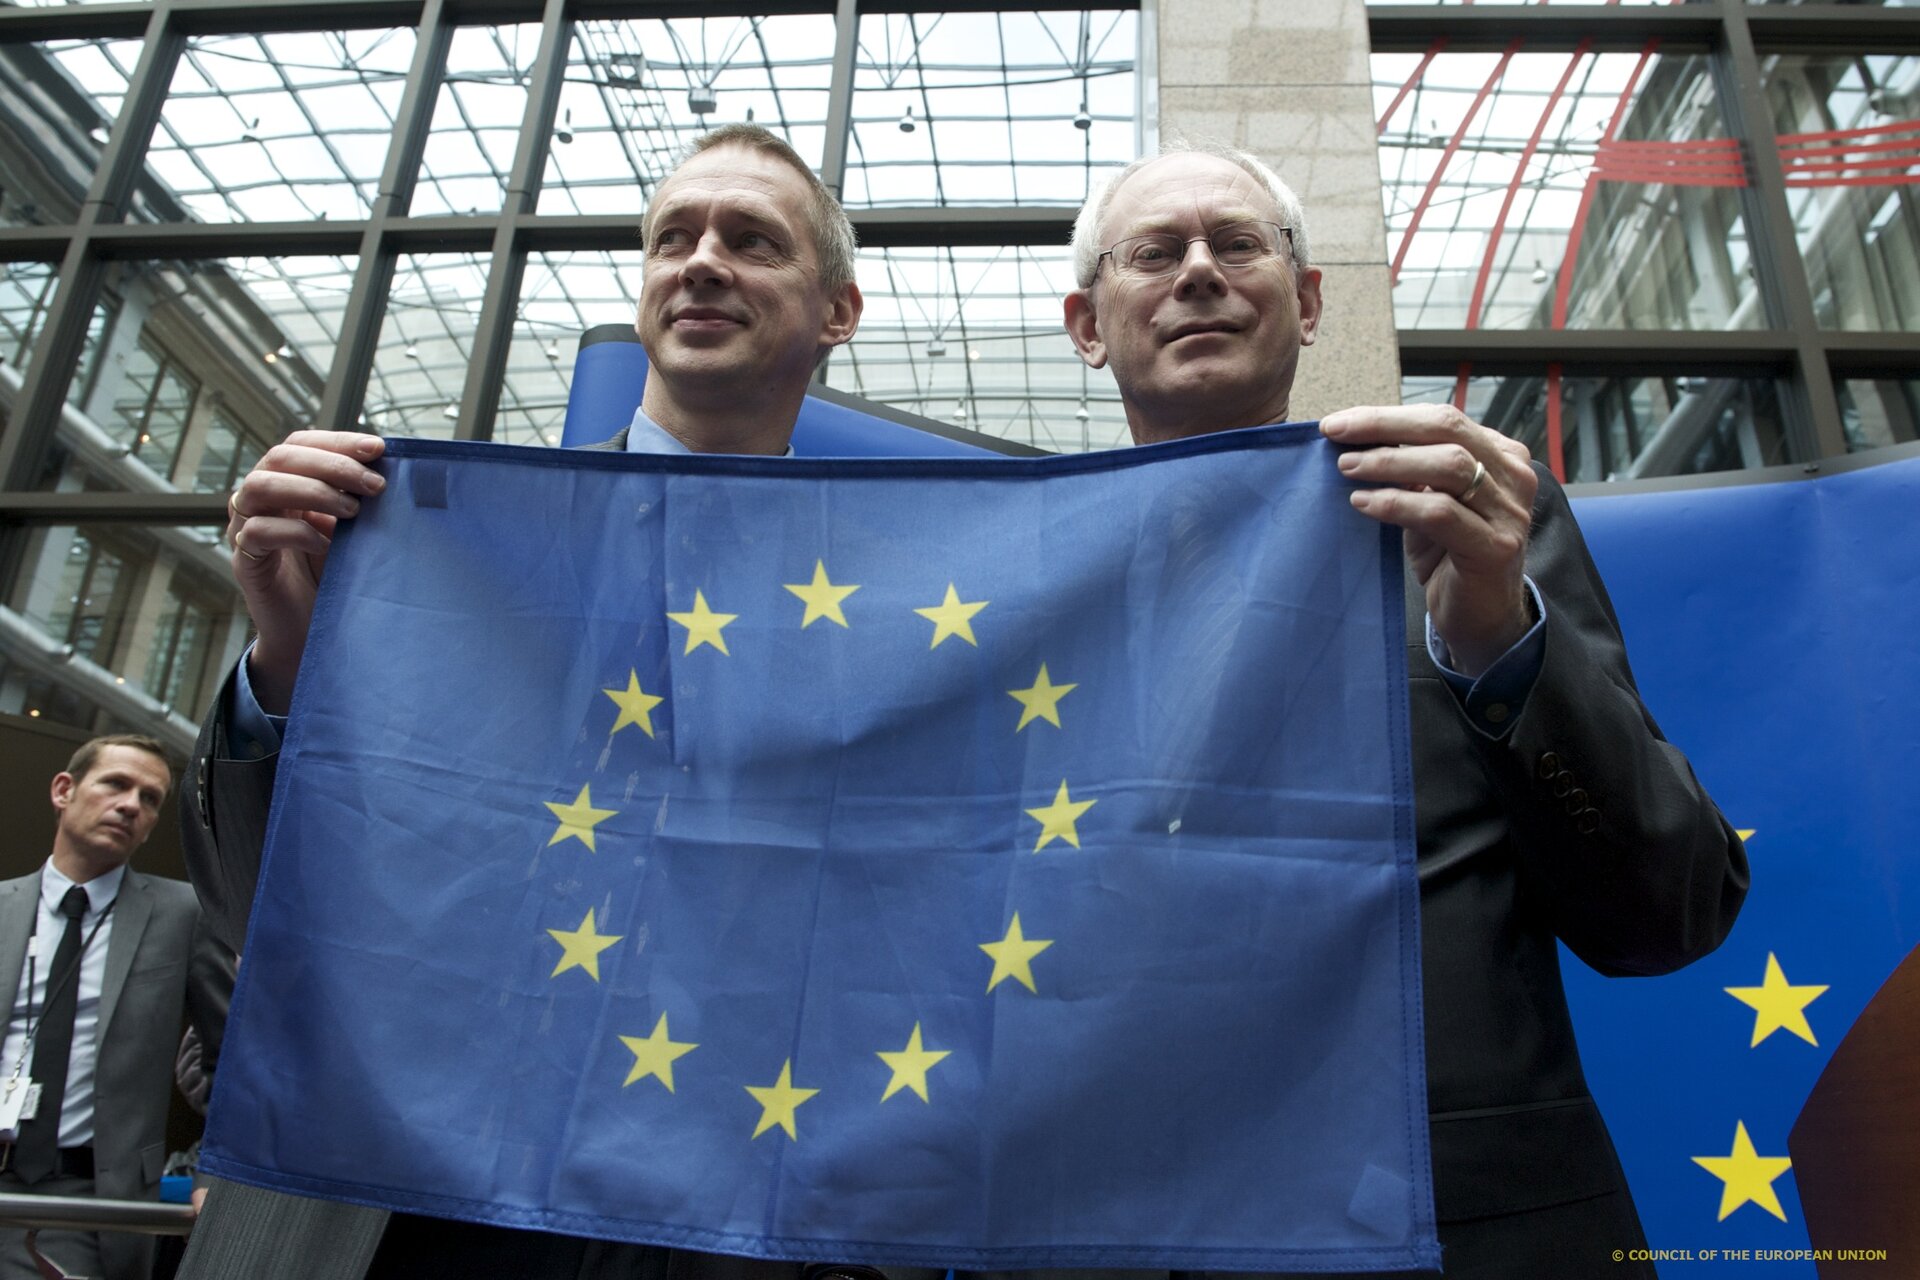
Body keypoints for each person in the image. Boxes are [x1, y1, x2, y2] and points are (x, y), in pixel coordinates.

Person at [174, 125, 920, 1280]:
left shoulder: (910, 617)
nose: (702, 259)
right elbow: (250, 906)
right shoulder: (435, 553)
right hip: (400, 1211)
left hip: (744, 1214)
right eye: (674, 235)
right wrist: (290, 662)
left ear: (837, 310)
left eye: (752, 238)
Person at [1046, 142, 1750, 1279]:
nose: (1198, 274)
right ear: (1088, 325)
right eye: (1153, 252)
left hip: (1466, 1235)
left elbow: (1665, 912)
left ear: (1309, 299)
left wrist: (1495, 640)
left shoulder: (1461, 522)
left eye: (1236, 243)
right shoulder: (1021, 589)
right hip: (1110, 1229)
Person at [0, 734, 202, 1280]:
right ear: (64, 790)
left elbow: (236, 1048)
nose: (132, 804)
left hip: (85, 1197)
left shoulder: (182, 916)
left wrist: (214, 1177)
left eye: (150, 798)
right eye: (116, 784)